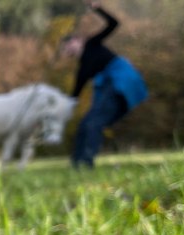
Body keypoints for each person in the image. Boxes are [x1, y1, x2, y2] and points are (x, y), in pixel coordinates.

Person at [63, 1, 147, 169]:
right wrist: (66, 105)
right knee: (85, 124)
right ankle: (76, 164)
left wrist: (98, 9)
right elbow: (76, 92)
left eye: (67, 45)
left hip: (120, 80)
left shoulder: (91, 44)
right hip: (110, 85)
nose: (66, 50)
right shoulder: (83, 66)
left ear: (77, 41)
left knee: (93, 123)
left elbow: (113, 24)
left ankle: (86, 163)